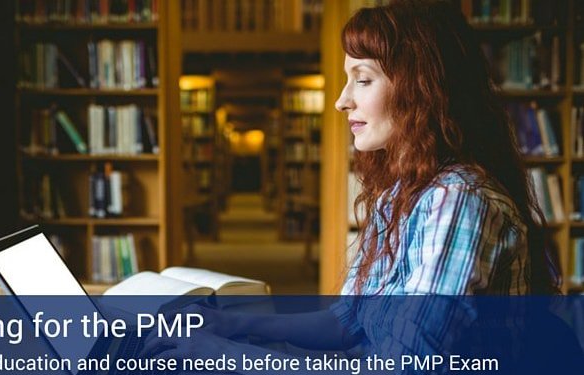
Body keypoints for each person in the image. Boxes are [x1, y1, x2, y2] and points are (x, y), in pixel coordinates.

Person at [142, 0, 562, 367]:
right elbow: (347, 321)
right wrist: (229, 323)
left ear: (422, 90)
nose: (342, 100)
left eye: (362, 79)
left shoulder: (457, 200)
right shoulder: (400, 195)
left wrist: (224, 355)